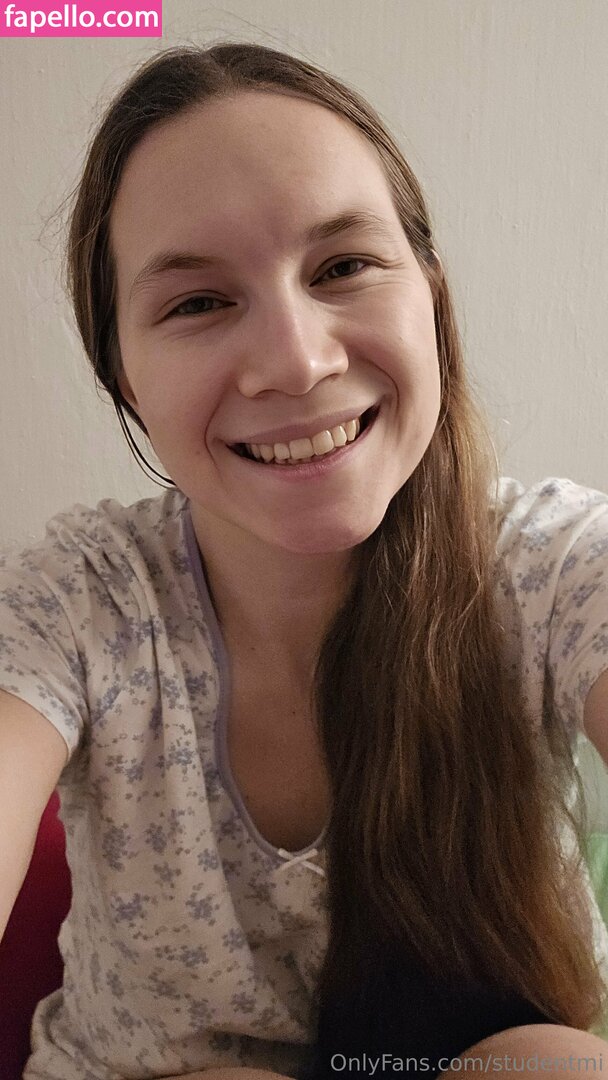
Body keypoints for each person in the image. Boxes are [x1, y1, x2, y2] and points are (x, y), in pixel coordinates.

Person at [0, 41, 607, 1080]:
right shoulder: (84, 598)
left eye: (342, 267)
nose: (295, 360)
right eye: (197, 303)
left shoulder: (549, 567)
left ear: (431, 298)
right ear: (126, 378)